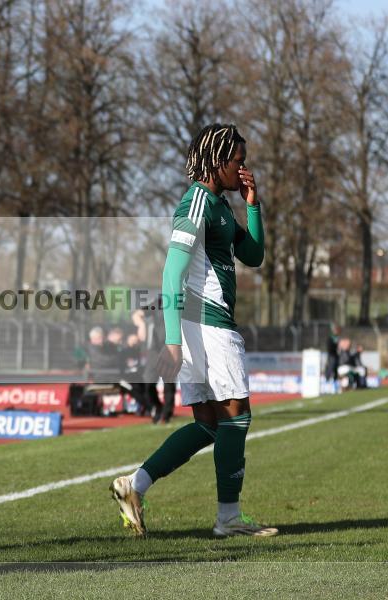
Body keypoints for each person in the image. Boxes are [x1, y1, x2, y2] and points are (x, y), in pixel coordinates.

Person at [110, 123, 277, 538]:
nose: (243, 168)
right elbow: (172, 273)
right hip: (208, 326)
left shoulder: (219, 205)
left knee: (209, 424)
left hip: (201, 326)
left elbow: (254, 255)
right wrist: (172, 342)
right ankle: (229, 518)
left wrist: (253, 205)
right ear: (217, 161)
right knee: (236, 417)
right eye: (237, 161)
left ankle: (134, 485)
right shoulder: (198, 202)